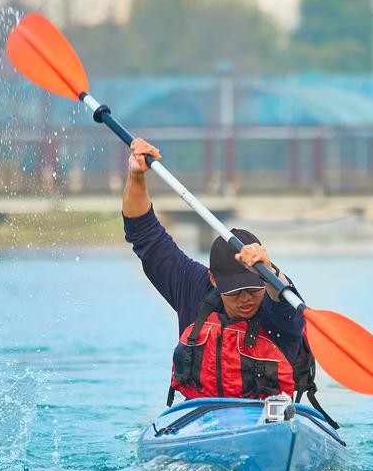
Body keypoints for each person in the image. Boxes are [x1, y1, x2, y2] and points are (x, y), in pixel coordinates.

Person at [121, 137, 307, 405]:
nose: (245, 298)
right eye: (234, 291)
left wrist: (270, 270)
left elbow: (282, 297)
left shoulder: (280, 310)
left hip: (267, 421)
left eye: (252, 289)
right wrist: (136, 176)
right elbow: (144, 235)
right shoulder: (193, 288)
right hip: (201, 420)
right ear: (213, 280)